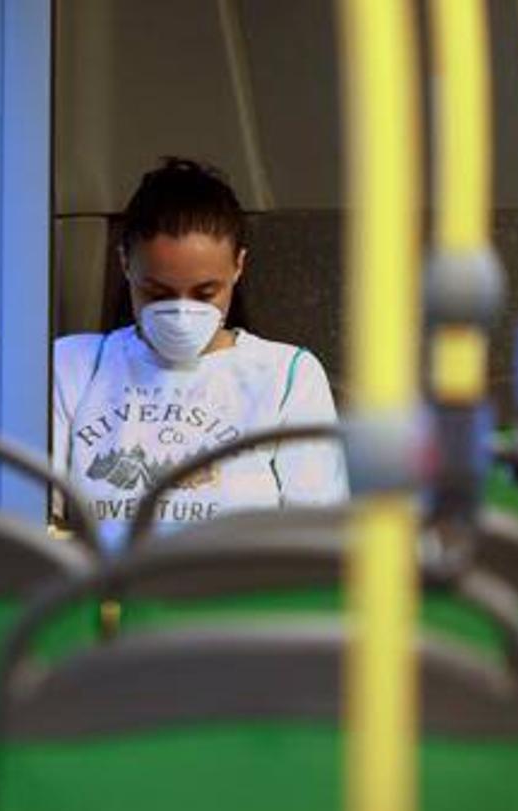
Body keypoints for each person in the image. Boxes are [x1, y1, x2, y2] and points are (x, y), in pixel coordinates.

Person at [52, 158, 346, 546]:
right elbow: (32, 523)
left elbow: (313, 536)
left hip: (234, 601)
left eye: (206, 293)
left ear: (238, 267)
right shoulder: (74, 365)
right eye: (156, 293)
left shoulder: (286, 375)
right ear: (125, 263)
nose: (180, 311)